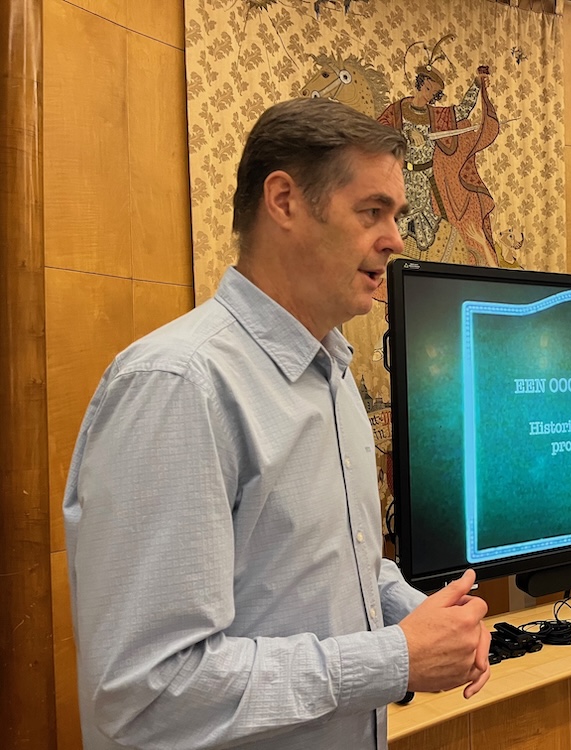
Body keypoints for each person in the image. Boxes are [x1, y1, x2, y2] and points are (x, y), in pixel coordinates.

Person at [63, 98, 491, 750]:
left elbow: (334, 563)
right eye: (371, 211)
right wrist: (395, 659)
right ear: (285, 201)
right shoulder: (179, 385)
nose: (396, 240)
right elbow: (146, 694)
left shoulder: (336, 377)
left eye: (398, 216)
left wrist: (419, 616)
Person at [377, 60, 501, 266]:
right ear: (419, 83)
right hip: (401, 176)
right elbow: (379, 131)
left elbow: (461, 111)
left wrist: (476, 85)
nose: (428, 95)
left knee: (431, 223)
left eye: (433, 93)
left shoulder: (435, 116)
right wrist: (406, 135)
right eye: (427, 88)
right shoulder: (397, 110)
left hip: (426, 178)